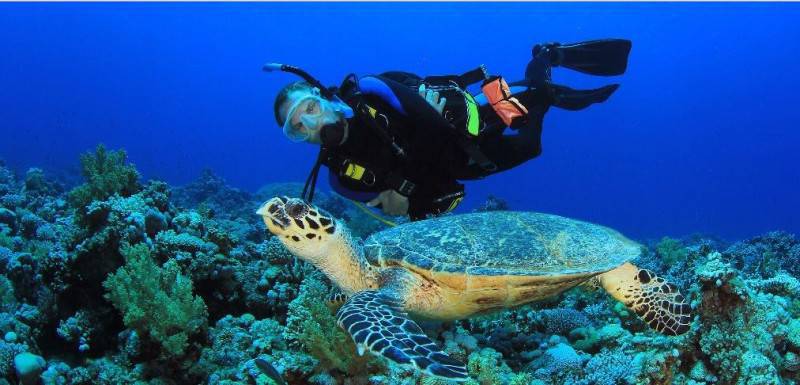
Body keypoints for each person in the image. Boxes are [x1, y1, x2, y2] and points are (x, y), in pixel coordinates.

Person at [269, 39, 631, 220]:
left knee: (536, 96)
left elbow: (434, 127)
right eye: (298, 127)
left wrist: (404, 191)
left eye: (310, 109)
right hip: (464, 166)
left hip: (467, 128)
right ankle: (547, 92)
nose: (312, 124)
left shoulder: (370, 91)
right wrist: (407, 200)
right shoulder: (340, 180)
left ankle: (546, 58)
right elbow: (407, 211)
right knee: (531, 147)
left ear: (323, 96)